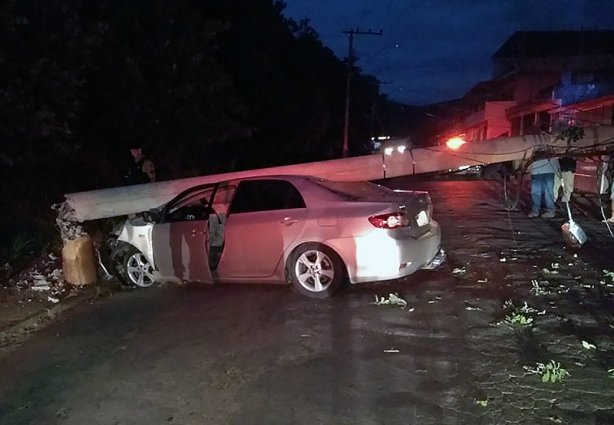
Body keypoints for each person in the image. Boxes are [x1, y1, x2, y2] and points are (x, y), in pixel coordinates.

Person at [528, 153, 559, 218]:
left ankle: (548, 210)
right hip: (539, 168)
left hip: (547, 167)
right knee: (539, 190)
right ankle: (537, 210)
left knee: (547, 191)